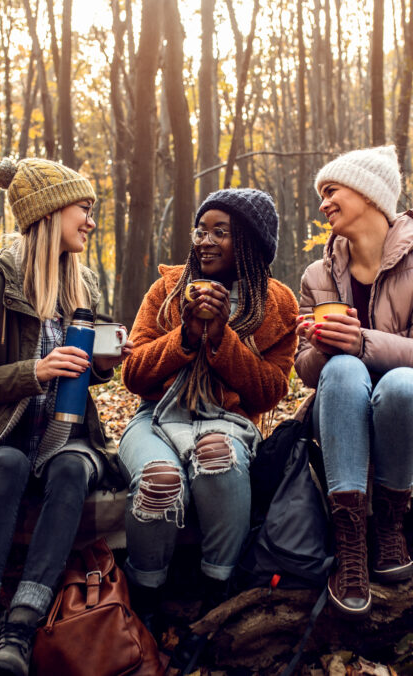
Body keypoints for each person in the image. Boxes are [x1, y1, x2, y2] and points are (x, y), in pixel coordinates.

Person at [0, 157, 132, 676]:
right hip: (4, 435)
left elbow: (80, 373)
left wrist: (101, 367)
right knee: (5, 467)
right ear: (49, 213)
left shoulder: (82, 282)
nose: (91, 222)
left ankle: (20, 632)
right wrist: (35, 371)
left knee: (72, 469)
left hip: (68, 437)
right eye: (83, 210)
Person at [295, 146, 413, 616]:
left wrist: (362, 341)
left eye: (331, 191)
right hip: (343, 410)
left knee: (399, 383)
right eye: (322, 194)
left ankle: (390, 529)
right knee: (339, 368)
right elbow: (306, 371)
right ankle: (351, 546)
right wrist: (319, 346)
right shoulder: (317, 274)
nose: (323, 204)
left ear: (368, 194)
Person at [118, 188, 299, 626]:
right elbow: (135, 376)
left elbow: (269, 392)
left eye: (221, 232)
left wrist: (223, 338)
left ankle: (218, 590)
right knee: (160, 481)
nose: (205, 240)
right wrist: (185, 335)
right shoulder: (167, 289)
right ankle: (145, 597)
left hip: (229, 425)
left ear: (250, 244)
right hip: (156, 420)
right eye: (201, 230)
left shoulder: (276, 303)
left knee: (216, 454)